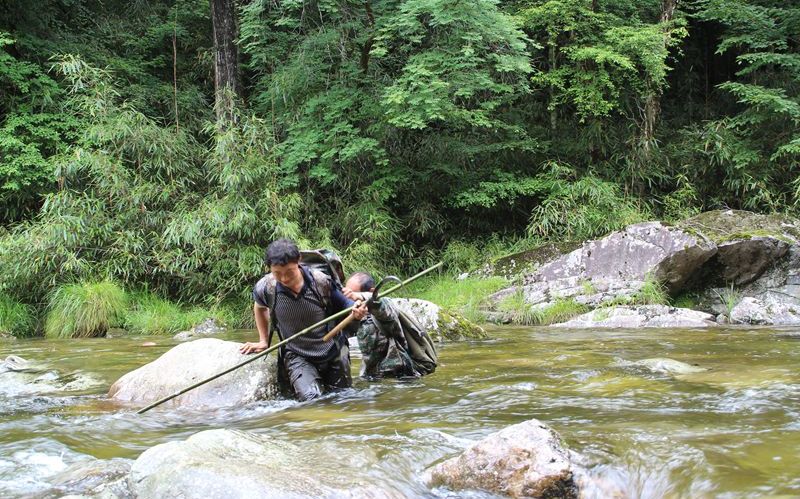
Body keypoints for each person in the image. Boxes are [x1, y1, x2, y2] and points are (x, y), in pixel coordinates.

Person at [240, 238, 367, 401]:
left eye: (289, 272)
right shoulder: (266, 287)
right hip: (297, 354)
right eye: (277, 273)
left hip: (332, 349)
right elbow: (259, 307)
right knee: (311, 400)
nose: (284, 279)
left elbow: (345, 304)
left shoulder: (320, 282)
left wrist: (356, 309)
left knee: (342, 399)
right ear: (269, 268)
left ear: (298, 261)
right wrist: (263, 341)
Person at [342, 272, 430, 379]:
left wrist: (359, 296)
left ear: (371, 292)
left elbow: (379, 302)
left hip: (401, 375)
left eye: (353, 295)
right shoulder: (353, 315)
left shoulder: (384, 306)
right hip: (372, 375)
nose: (350, 301)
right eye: (347, 296)